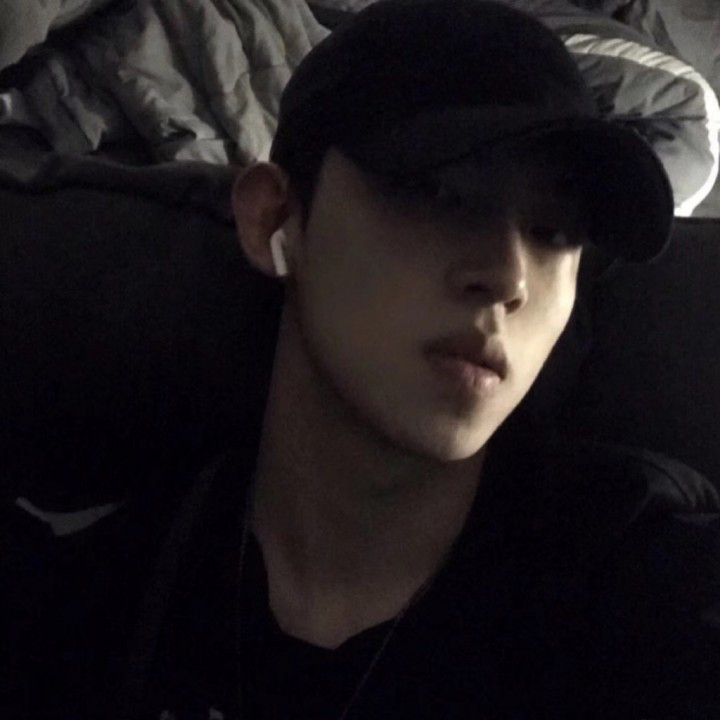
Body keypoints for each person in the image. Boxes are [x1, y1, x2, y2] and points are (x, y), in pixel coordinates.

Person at [5, 1, 720, 719]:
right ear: (274, 219)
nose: (509, 277)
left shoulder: (638, 580)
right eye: (442, 192)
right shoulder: (101, 601)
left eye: (554, 230)